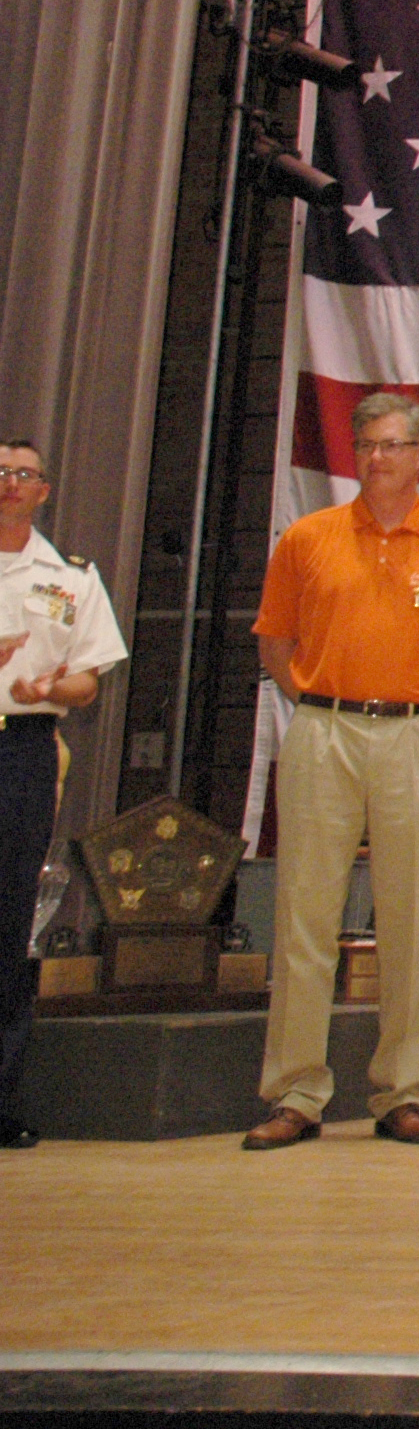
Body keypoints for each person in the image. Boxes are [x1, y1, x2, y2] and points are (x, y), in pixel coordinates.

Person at [242, 392, 419, 1150]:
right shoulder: (308, 539)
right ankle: (296, 1093)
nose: (378, 458)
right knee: (305, 914)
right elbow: (273, 642)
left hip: (417, 734)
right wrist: (319, 704)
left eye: (393, 445)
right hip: (324, 728)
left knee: (414, 915)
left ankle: (401, 1092)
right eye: (367, 446)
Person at [0, 439, 127, 1151]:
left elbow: (89, 680)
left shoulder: (69, 577)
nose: (9, 483)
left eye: (22, 474)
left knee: (10, 917)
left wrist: (51, 686)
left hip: (20, 748)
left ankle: (1, 1094)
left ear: (44, 490)